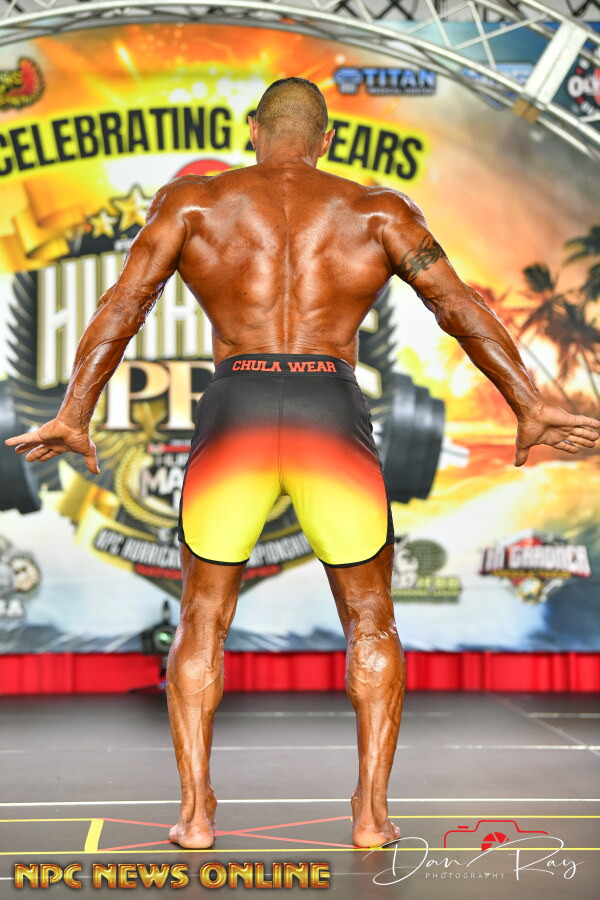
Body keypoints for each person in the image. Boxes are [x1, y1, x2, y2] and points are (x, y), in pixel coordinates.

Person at [5, 77, 599, 850]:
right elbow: (458, 308)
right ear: (326, 138)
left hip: (239, 411)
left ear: (254, 129)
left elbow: (122, 305)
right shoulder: (378, 211)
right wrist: (528, 403)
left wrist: (75, 412)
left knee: (202, 618)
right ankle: (371, 817)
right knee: (371, 619)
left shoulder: (193, 205)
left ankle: (195, 816)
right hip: (329, 412)